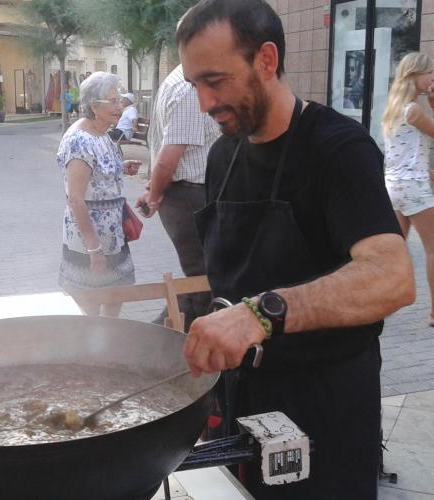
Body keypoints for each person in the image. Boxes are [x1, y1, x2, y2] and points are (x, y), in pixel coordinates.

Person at [176, 0, 415, 498]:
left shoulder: (339, 150)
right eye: (194, 84)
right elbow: (230, 278)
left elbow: (392, 277)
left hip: (322, 406)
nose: (203, 102)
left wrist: (262, 314)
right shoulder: (223, 154)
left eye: (215, 81)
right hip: (238, 396)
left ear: (266, 59)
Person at [135, 65, 220, 330]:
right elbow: (170, 155)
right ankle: (182, 337)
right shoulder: (187, 88)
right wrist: (154, 194)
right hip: (189, 195)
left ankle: (166, 329)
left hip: (185, 193)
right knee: (204, 277)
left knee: (199, 272)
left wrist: (153, 190)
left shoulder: (178, 81)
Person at [57, 72, 141, 317]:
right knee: (91, 306)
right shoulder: (78, 141)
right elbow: (75, 198)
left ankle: (109, 345)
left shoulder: (103, 133)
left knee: (117, 295)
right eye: (113, 101)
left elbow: (96, 172)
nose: (120, 107)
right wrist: (94, 249)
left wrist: (122, 168)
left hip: (113, 236)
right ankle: (94, 353)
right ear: (94, 106)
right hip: (90, 243)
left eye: (120, 101)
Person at [382, 52, 434, 326]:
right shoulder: (414, 111)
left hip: (395, 187)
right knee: (433, 249)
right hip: (414, 188)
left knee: (393, 250)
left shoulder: (394, 109)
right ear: (415, 75)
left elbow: (404, 153)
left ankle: (380, 304)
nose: (433, 78)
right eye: (429, 73)